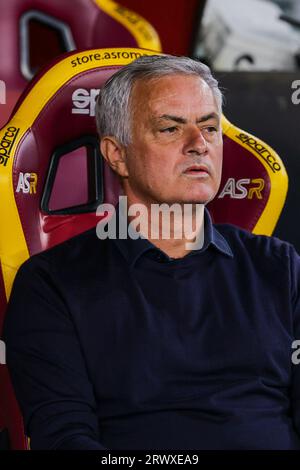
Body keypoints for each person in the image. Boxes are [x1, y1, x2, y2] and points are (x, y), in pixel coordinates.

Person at [3, 55, 300, 450]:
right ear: (117, 155)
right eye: (170, 128)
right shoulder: (51, 284)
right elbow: (65, 439)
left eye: (209, 128)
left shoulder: (279, 266)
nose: (199, 145)